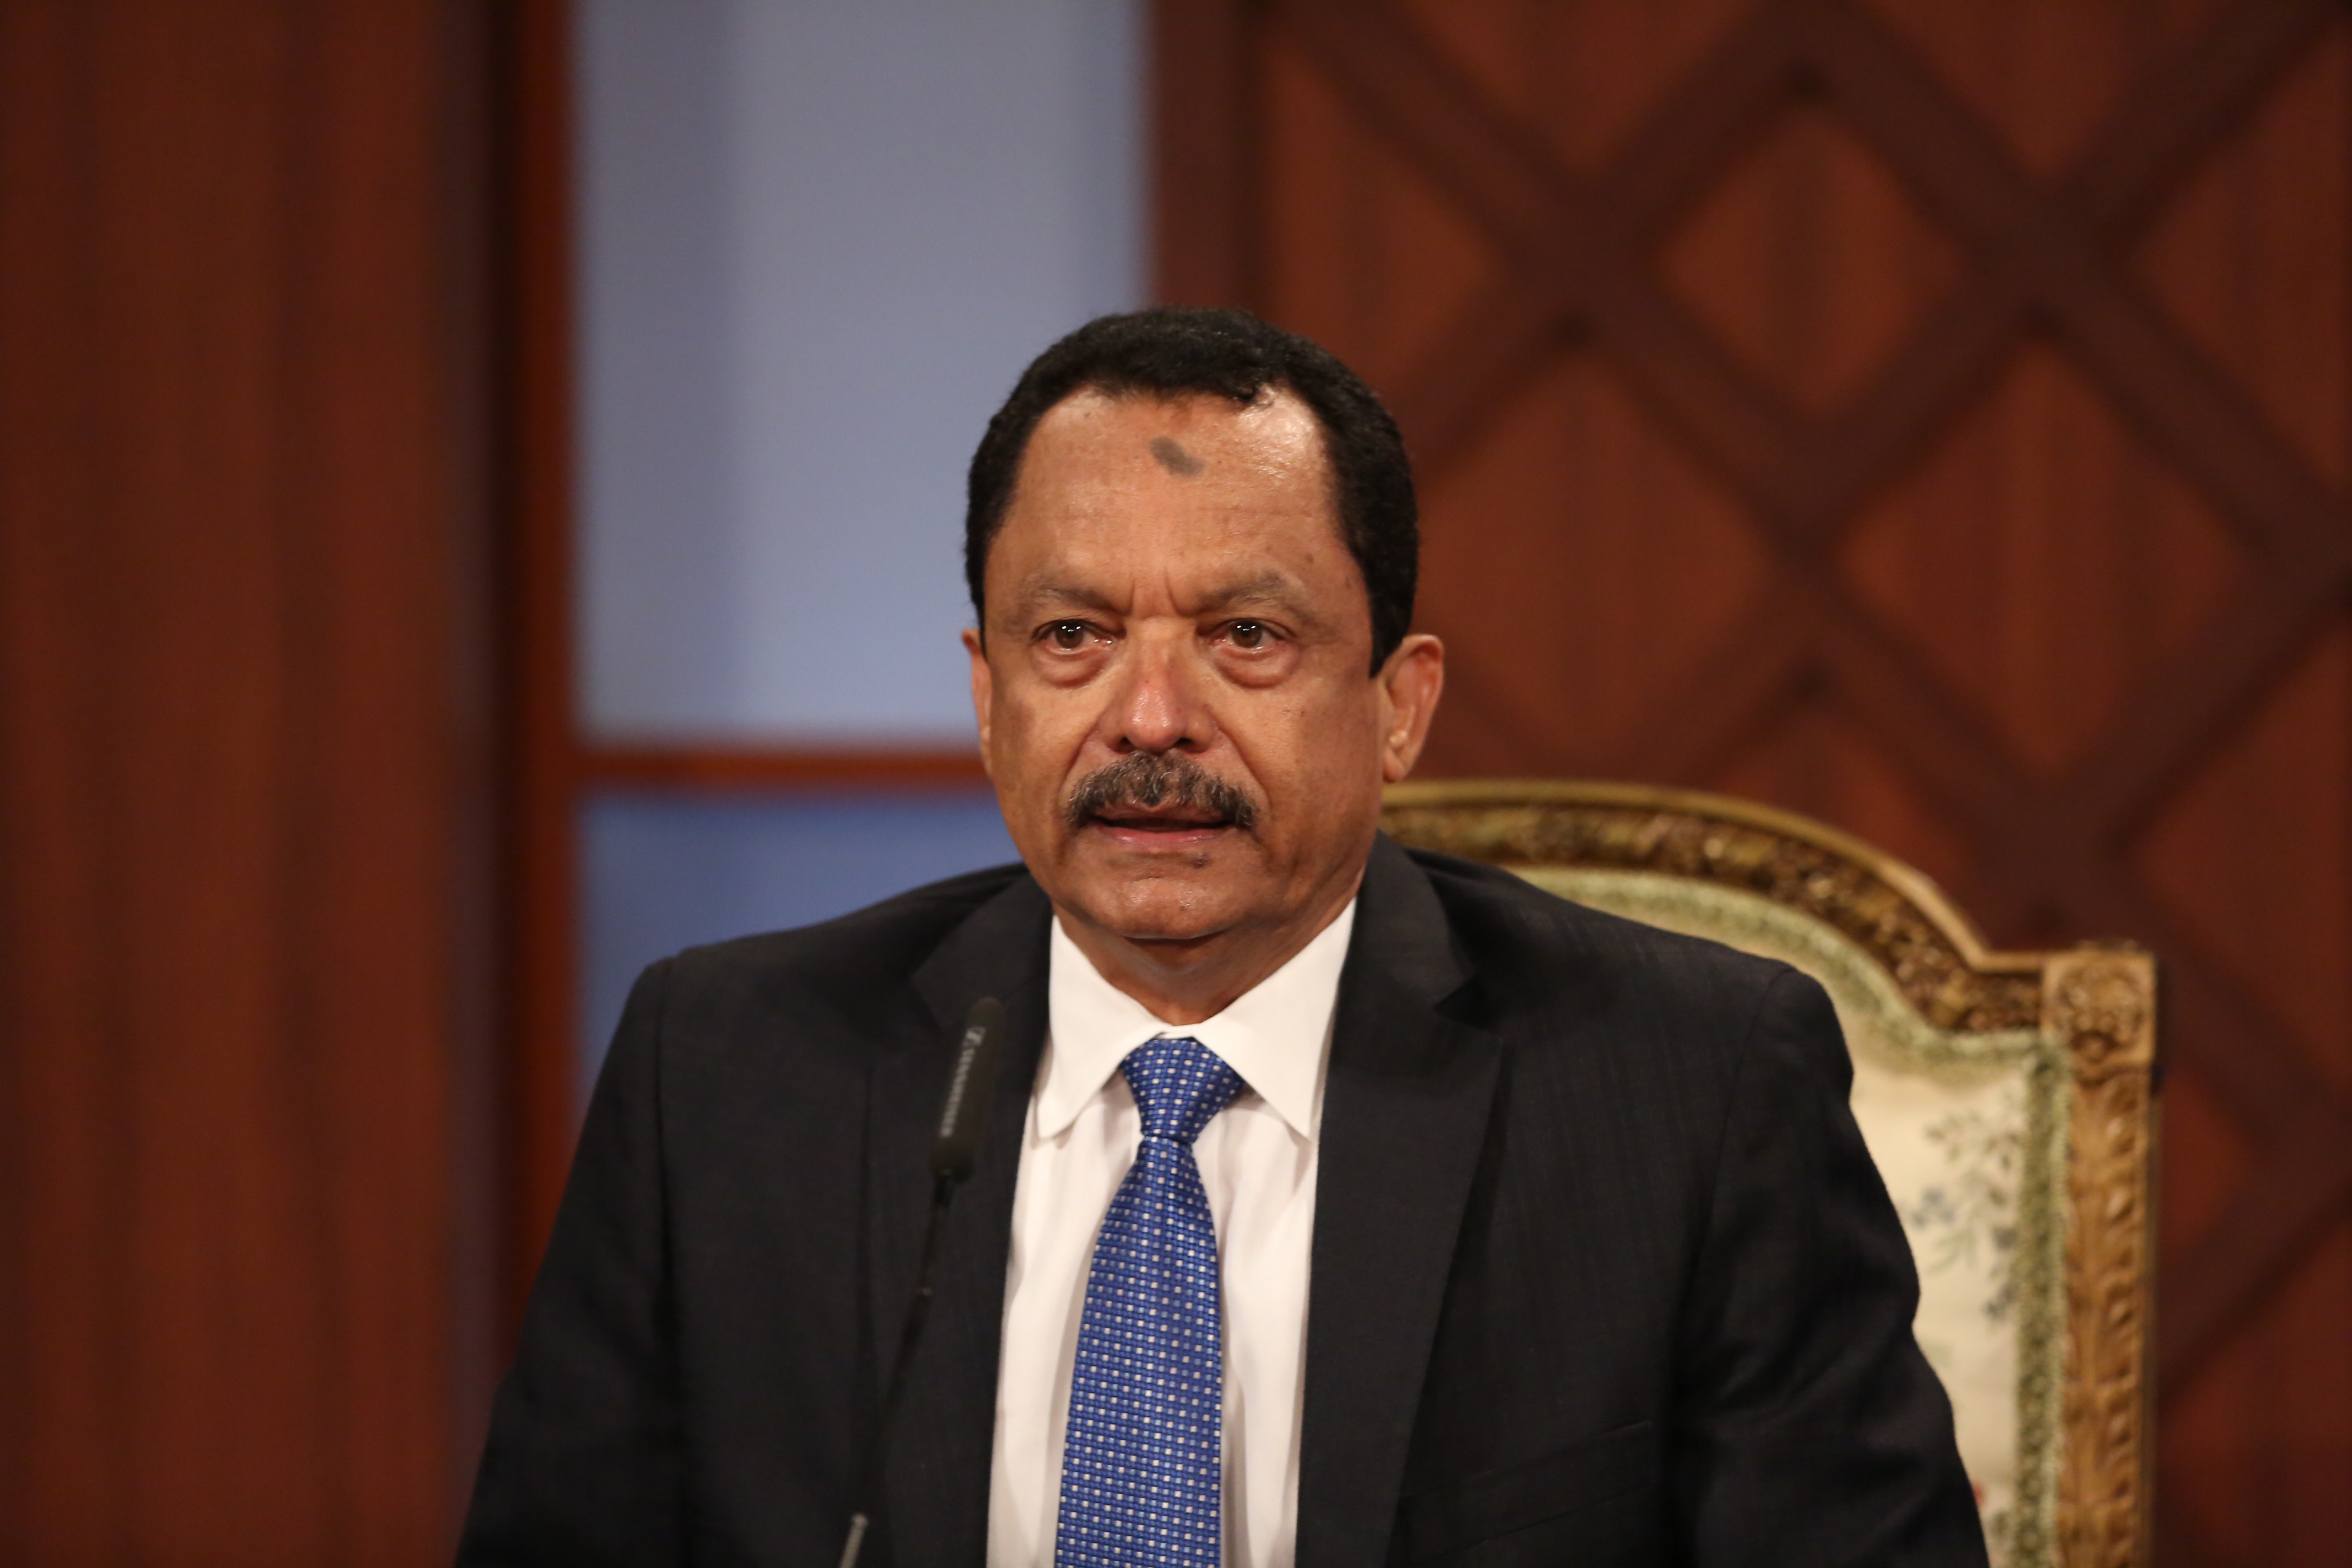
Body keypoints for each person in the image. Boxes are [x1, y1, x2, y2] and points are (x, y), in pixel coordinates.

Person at [459, 308, 1986, 1567]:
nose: (1150, 718)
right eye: (1073, 636)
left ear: (1399, 704)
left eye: (1246, 636)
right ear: (988, 698)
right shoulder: (729, 1073)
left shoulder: (1690, 1091)